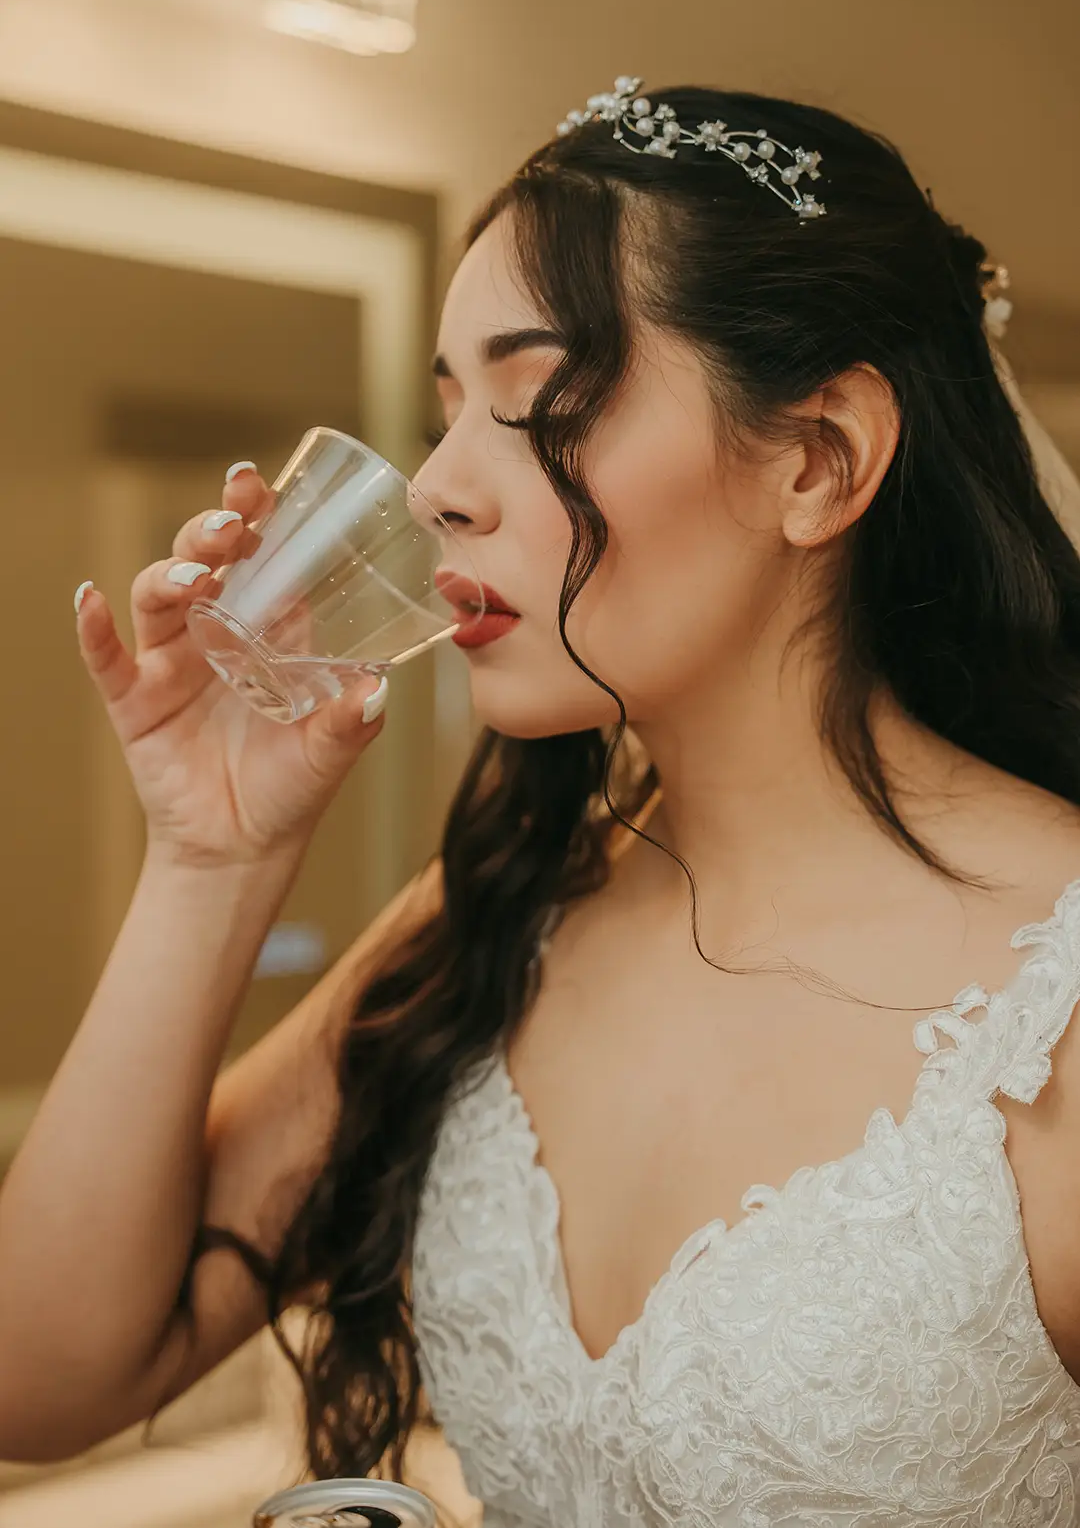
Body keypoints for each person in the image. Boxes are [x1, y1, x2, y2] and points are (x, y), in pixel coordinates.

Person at [1, 77, 1080, 1526]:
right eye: (448, 411)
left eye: (534, 399)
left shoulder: (1051, 992)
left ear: (820, 460)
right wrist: (213, 858)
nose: (440, 485)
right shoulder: (494, 921)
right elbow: (42, 1377)